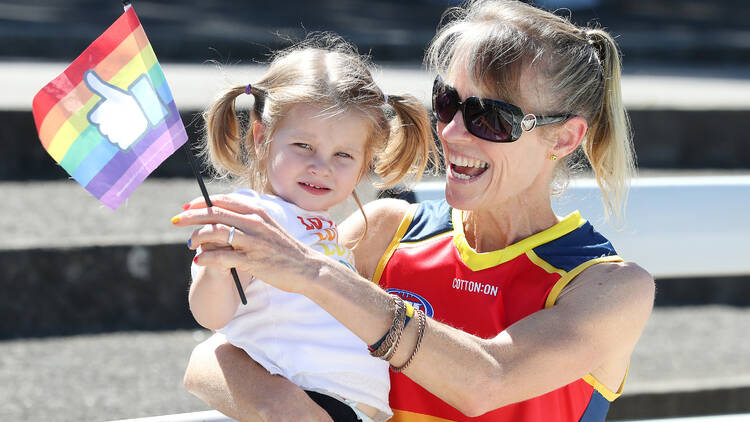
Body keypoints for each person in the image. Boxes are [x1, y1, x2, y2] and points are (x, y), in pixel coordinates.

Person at [172, 0, 655, 420]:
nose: (452, 133)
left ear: (566, 137)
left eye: (490, 117)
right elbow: (219, 353)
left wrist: (315, 273)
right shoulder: (384, 232)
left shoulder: (609, 287)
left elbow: (488, 381)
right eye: (447, 103)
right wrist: (282, 408)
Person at [180, 35, 436, 422]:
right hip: (308, 399)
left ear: (366, 161)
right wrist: (217, 270)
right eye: (303, 145)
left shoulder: (321, 223)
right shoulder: (250, 215)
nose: (322, 167)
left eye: (343, 155)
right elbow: (211, 315)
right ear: (262, 136)